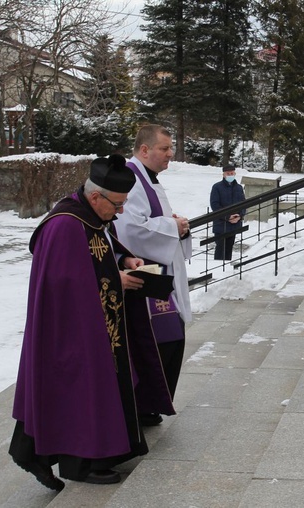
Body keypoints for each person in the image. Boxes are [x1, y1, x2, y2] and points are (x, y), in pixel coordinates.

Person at [9, 155, 168, 489]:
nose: (120, 212)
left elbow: (102, 247)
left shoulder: (91, 215)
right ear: (96, 196)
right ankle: (80, 464)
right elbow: (65, 283)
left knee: (78, 389)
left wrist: (123, 258)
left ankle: (37, 453)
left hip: (97, 323)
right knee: (76, 389)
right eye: (117, 205)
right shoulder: (65, 224)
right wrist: (116, 279)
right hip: (70, 330)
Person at [116, 124, 192, 427]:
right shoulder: (132, 179)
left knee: (171, 338)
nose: (170, 154)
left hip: (159, 270)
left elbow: (150, 220)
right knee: (162, 340)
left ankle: (150, 405)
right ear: (144, 149)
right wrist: (173, 227)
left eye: (171, 148)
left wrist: (175, 224)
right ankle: (144, 405)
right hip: (145, 272)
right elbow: (131, 229)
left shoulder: (147, 178)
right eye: (164, 148)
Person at [210, 163, 246, 261]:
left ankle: (226, 269)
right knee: (220, 248)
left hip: (234, 224)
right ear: (224, 175)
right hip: (221, 224)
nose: (230, 175)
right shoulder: (217, 187)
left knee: (229, 248)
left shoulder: (238, 188)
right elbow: (215, 205)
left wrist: (240, 215)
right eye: (228, 173)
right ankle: (217, 269)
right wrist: (227, 217)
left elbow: (243, 203)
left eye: (232, 173)